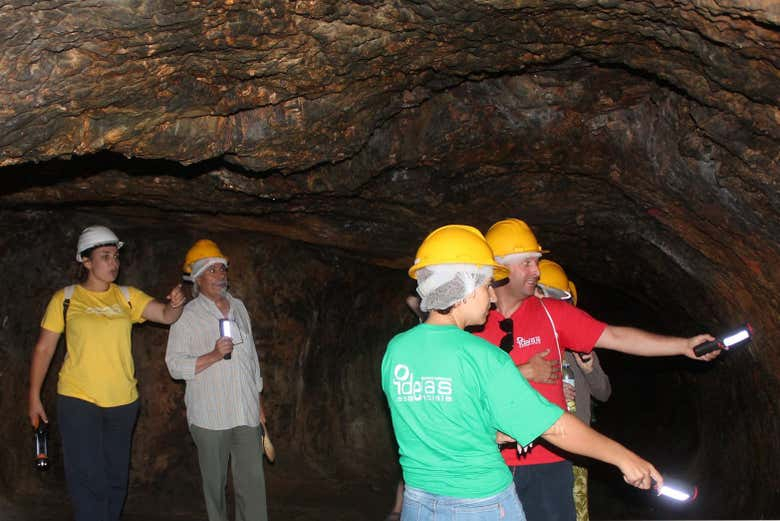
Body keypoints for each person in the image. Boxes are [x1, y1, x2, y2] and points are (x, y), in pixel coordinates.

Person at [381, 224, 664, 521]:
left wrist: (491, 433)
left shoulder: (397, 350)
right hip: (482, 505)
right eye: (486, 285)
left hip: (420, 503)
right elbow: (554, 427)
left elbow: (439, 422)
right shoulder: (483, 356)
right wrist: (625, 458)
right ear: (462, 288)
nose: (492, 296)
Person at [475, 218, 718, 521]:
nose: (536, 271)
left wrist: (682, 346)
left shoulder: (554, 314)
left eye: (537, 262)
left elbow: (615, 336)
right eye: (527, 263)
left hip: (548, 461)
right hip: (483, 462)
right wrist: (524, 370)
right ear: (500, 267)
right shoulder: (472, 319)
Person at [27, 225, 185, 521]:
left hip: (123, 402)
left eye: (115, 256)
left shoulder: (126, 296)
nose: (114, 263)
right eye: (105, 256)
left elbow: (164, 316)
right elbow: (44, 350)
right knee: (87, 478)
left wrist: (175, 305)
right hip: (78, 398)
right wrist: (34, 395)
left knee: (115, 478)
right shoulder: (66, 298)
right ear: (85, 261)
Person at [165, 239, 268, 521]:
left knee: (253, 487)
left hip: (245, 411)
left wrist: (258, 403)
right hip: (210, 416)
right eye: (212, 270)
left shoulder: (240, 307)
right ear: (197, 277)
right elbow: (174, 365)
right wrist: (212, 355)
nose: (221, 275)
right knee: (215, 488)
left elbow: (252, 360)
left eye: (223, 269)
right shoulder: (186, 316)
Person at [536, 259, 611, 521]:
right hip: (538, 448)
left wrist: (589, 367)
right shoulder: (531, 346)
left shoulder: (580, 346)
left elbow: (604, 393)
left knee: (576, 513)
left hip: (578, 446)